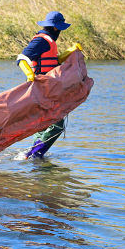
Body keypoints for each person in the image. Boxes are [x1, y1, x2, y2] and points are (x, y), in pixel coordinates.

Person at [17, 11, 79, 159]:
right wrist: (29, 75)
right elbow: (21, 58)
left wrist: (70, 51)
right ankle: (33, 154)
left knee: (44, 124)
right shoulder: (42, 41)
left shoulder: (49, 41)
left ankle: (34, 157)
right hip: (41, 88)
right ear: (56, 28)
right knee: (57, 125)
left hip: (47, 88)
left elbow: (53, 61)